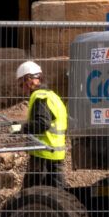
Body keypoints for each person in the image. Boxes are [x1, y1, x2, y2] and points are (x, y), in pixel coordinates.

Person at [15, 58, 67, 187]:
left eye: (22, 84)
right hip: (55, 154)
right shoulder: (53, 96)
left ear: (29, 79)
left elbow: (42, 124)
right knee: (56, 197)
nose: (23, 89)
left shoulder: (40, 97)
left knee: (30, 199)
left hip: (42, 156)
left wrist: (18, 128)